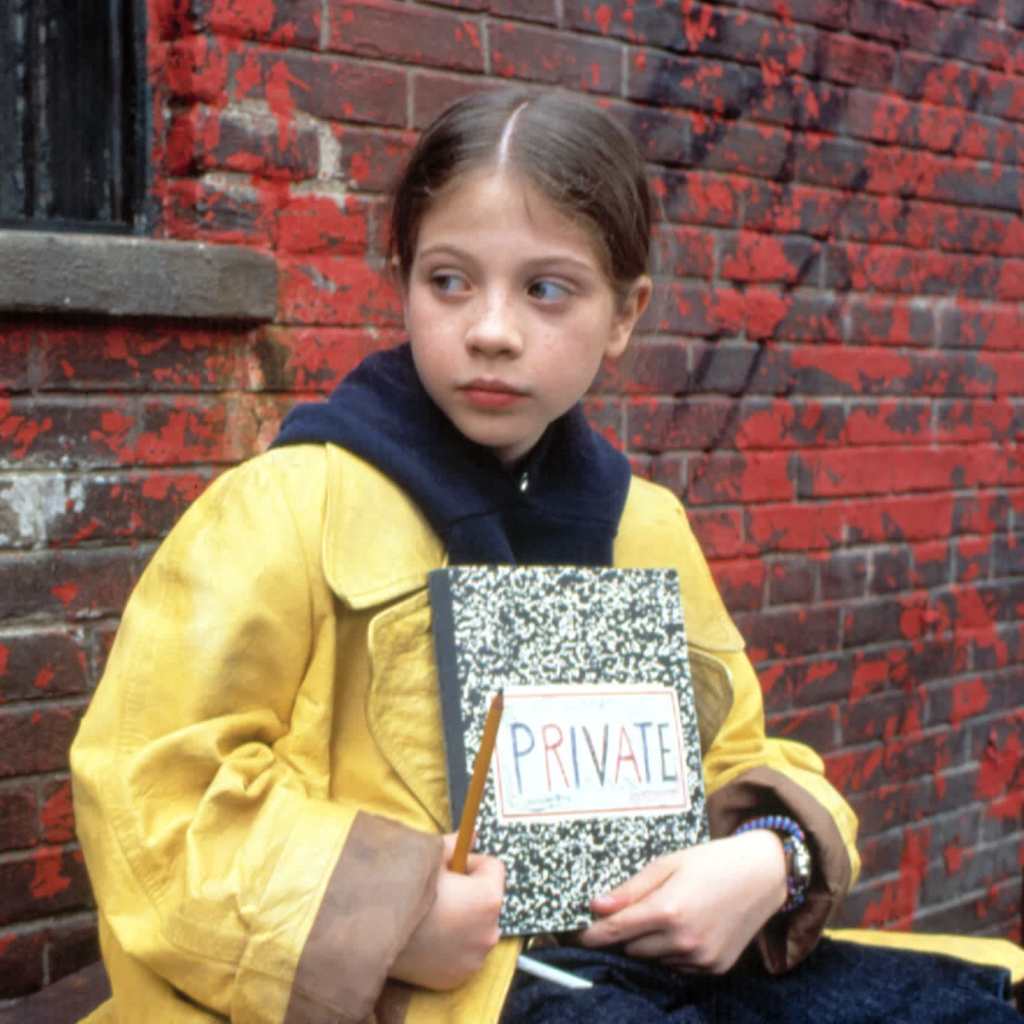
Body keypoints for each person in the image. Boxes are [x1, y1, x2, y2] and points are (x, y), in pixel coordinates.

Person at [70, 90, 1021, 1023]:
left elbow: (736, 751)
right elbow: (148, 796)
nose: (491, 329)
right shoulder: (286, 508)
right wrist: (392, 916)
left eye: (546, 289)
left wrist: (771, 857)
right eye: (449, 281)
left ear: (625, 313)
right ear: (402, 282)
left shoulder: (643, 527)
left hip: (638, 968)